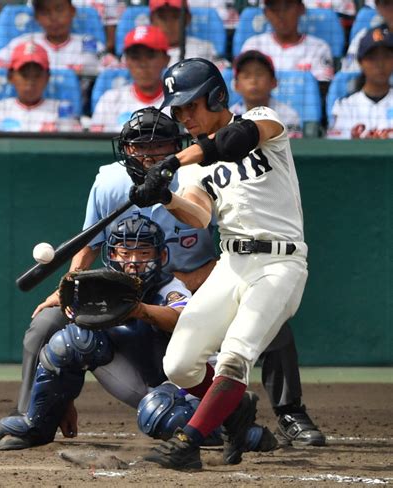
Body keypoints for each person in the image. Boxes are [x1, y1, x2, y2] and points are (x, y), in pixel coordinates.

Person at [0, 107, 323, 450]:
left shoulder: (195, 169)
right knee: (47, 324)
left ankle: (289, 413)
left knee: (268, 318)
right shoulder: (111, 181)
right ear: (126, 150)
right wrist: (70, 286)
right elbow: (91, 245)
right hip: (120, 287)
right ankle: (34, 414)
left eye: (159, 146)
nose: (149, 154)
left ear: (174, 146)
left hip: (193, 281)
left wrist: (181, 278)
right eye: (139, 147)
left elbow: (222, 247)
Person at [128, 57, 315, 469]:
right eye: (177, 110)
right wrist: (164, 197)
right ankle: (235, 410)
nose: (184, 116)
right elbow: (197, 215)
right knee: (178, 363)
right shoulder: (194, 170)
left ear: (217, 95)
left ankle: (187, 441)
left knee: (235, 355)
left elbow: (237, 138)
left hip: (279, 264)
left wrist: (174, 161)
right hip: (232, 263)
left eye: (191, 105)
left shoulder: (263, 118)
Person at [0, 214, 276, 453]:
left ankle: (237, 429)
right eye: (125, 253)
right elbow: (71, 353)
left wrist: (140, 311)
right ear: (111, 255)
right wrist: (62, 401)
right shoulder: (97, 287)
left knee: (160, 412)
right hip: (139, 377)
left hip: (186, 384)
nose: (133, 262)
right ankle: (39, 425)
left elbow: (182, 318)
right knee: (72, 342)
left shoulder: (170, 286)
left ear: (161, 255)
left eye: (143, 254)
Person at [0, 41, 81, 132]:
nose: (31, 81)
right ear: (10, 77)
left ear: (47, 78)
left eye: (37, 75)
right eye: (25, 75)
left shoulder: (61, 110)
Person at [0, 0, 107, 78]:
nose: (53, 17)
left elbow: (114, 73)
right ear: (36, 17)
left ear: (72, 11)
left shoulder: (90, 44)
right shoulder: (23, 43)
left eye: (59, 9)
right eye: (45, 12)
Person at [90, 25, 171, 132]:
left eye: (150, 56)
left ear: (166, 59)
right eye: (135, 57)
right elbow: (96, 145)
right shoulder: (110, 100)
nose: (143, 64)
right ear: (126, 61)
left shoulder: (177, 102)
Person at [240, 0, 334, 83]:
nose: (281, 14)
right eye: (274, 9)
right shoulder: (253, 45)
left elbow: (321, 89)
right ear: (266, 13)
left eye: (287, 7)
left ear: (301, 9)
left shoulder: (319, 47)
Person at [328, 27, 393, 139]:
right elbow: (335, 149)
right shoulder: (344, 106)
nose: (380, 64)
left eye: (386, 57)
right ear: (360, 62)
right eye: (372, 58)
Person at [230, 50, 302, 138]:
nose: (253, 81)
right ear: (236, 85)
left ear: (274, 82)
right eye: (246, 76)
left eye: (259, 74)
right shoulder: (231, 116)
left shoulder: (288, 115)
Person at [149, 0, 230, 69]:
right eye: (162, 17)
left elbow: (225, 74)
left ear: (188, 18)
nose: (169, 24)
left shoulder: (204, 48)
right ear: (152, 20)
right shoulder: (143, 51)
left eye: (175, 16)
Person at [342, 0, 393, 72]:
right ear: (378, 7)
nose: (391, 8)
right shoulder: (364, 36)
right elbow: (348, 72)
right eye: (387, 3)